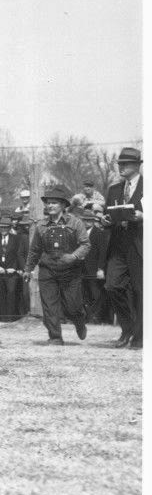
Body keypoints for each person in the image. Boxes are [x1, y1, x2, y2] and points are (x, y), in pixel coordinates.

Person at [22, 184, 91, 345]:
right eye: (48, 203)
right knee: (49, 306)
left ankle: (80, 321)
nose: (50, 205)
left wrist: (74, 256)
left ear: (63, 205)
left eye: (54, 202)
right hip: (48, 270)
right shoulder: (41, 225)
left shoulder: (75, 223)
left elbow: (86, 245)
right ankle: (55, 337)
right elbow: (34, 250)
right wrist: (28, 269)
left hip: (70, 271)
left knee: (72, 306)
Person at [103, 147, 143, 349]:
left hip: (141, 245)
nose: (121, 166)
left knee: (140, 291)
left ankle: (140, 336)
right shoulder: (114, 189)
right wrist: (105, 220)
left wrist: (143, 217)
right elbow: (108, 216)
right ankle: (128, 328)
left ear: (137, 166)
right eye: (119, 163)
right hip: (118, 246)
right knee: (112, 286)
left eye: (125, 163)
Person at [79, 209, 110, 324]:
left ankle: (97, 317)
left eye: (89, 220)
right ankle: (88, 316)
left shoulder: (99, 234)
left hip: (94, 268)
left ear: (93, 221)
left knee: (96, 293)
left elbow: (103, 252)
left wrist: (101, 269)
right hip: (82, 269)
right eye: (85, 220)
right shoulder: (79, 233)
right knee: (85, 293)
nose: (87, 222)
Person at [0, 214, 23, 320]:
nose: (3, 229)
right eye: (2, 227)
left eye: (6, 227)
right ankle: (3, 317)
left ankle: (10, 317)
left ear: (10, 228)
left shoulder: (16, 239)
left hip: (11, 272)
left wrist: (14, 268)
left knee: (11, 293)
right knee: (0, 294)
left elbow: (18, 255)